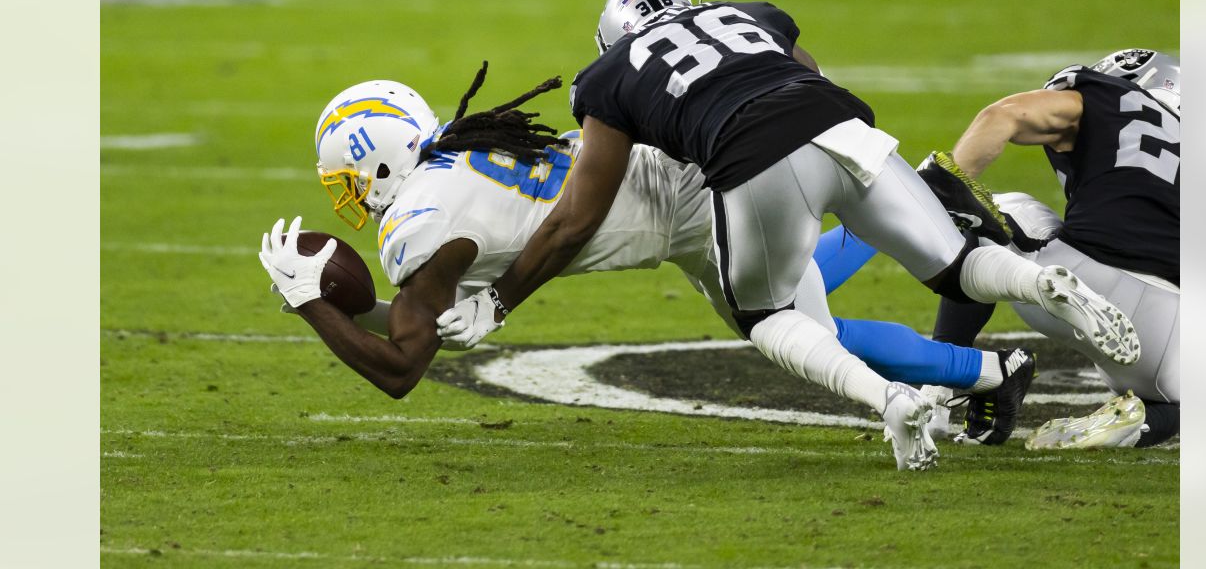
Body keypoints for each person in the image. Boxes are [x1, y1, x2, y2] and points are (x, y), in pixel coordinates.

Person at [433, 0, 1139, 466]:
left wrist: (499, 299)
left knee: (767, 316)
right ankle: (1037, 280)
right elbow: (810, 72)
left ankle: (891, 401)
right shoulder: (748, 14)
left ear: (609, 40)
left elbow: (576, 218)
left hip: (756, 158)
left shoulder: (609, 77)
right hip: (845, 129)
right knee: (955, 263)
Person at [259, 69, 1036, 469]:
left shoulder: (420, 225)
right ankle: (941, 230)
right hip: (681, 198)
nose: (352, 201)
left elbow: (402, 366)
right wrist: (381, 309)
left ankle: (991, 369)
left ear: (379, 165)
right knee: (792, 302)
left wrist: (311, 302)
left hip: (702, 200)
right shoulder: (457, 160)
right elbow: (416, 313)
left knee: (793, 330)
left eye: (350, 182)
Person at [918, 49, 1180, 448]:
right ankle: (1142, 422)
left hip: (1093, 288)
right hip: (1172, 346)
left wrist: (936, 188)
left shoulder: (1107, 96)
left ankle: (936, 387)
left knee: (993, 213)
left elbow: (1001, 116)